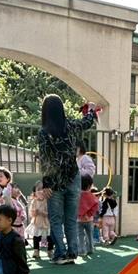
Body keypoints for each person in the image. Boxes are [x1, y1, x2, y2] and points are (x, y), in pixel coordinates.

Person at [38, 94, 98, 265]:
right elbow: (87, 123)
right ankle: (72, 252)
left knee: (56, 219)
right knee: (71, 218)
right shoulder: (70, 125)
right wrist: (91, 110)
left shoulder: (44, 132)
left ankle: (60, 254)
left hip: (55, 180)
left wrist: (46, 184)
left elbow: (45, 160)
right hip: (73, 176)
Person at [26, 183, 53, 260]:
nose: (41, 191)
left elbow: (50, 213)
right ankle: (36, 251)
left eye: (43, 189)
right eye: (38, 190)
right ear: (35, 193)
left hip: (46, 222)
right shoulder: (34, 201)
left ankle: (50, 250)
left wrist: (43, 213)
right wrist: (35, 212)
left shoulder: (48, 201)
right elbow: (31, 213)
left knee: (50, 237)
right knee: (36, 237)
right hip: (37, 222)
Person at [78, 174, 100, 256]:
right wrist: (89, 214)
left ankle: (81, 250)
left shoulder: (77, 195)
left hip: (79, 220)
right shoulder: (92, 196)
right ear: (90, 185)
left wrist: (81, 215)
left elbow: (74, 206)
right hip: (89, 220)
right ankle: (90, 249)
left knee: (80, 235)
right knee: (90, 235)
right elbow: (96, 205)